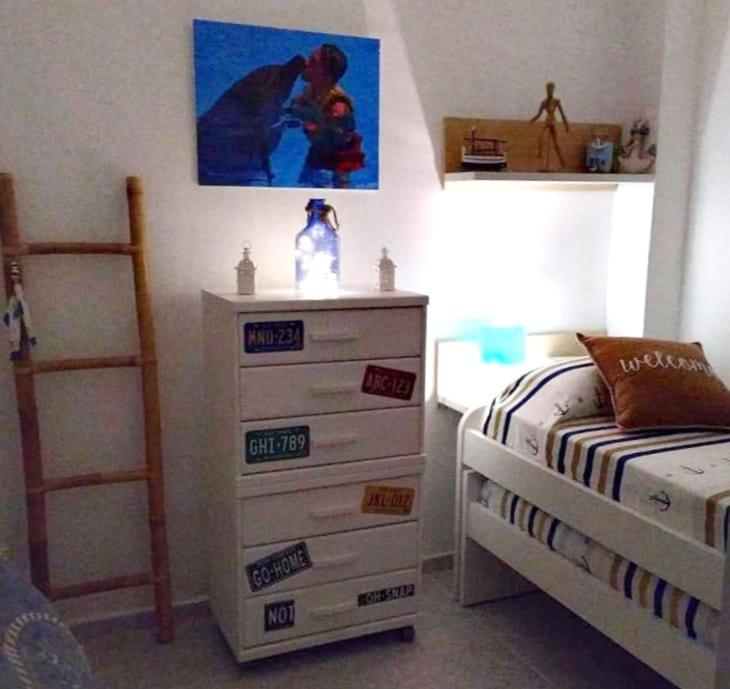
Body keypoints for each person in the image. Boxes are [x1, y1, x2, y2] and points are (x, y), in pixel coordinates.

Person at [287, 44, 365, 188]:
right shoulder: (310, 92)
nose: (306, 62)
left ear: (326, 75)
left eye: (313, 61)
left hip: (333, 165)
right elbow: (297, 108)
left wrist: (314, 127)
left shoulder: (337, 106)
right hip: (316, 157)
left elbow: (340, 140)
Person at [530, 82, 570, 171]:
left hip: (552, 121)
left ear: (553, 90)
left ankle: (562, 162)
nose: (550, 91)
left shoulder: (556, 101)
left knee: (556, 143)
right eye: (548, 89)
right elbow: (538, 114)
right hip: (547, 121)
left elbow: (562, 114)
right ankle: (540, 157)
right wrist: (531, 121)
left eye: (551, 89)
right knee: (541, 137)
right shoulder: (544, 102)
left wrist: (566, 124)